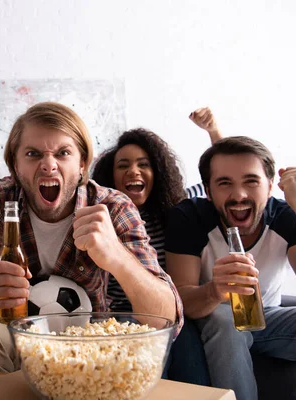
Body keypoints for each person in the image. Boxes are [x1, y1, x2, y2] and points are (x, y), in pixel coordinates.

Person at [0, 101, 183, 373]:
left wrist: (118, 257)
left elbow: (168, 318)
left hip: (87, 337)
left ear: (82, 164)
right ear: (15, 165)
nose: (48, 165)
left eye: (63, 153)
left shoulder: (113, 207)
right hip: (17, 330)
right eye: (32, 153)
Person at [165, 136, 296, 399]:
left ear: (270, 186)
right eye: (224, 184)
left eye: (251, 181)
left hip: (268, 318)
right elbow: (179, 300)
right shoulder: (190, 217)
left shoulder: (286, 217)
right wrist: (214, 291)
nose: (239, 195)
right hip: (211, 319)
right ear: (208, 192)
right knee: (225, 319)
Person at [90, 106, 222, 385]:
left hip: (168, 314)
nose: (133, 171)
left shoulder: (176, 211)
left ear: (158, 172)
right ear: (110, 176)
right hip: (117, 318)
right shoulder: (99, 215)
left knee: (192, 371)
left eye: (143, 164)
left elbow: (220, 181)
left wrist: (213, 131)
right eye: (123, 165)